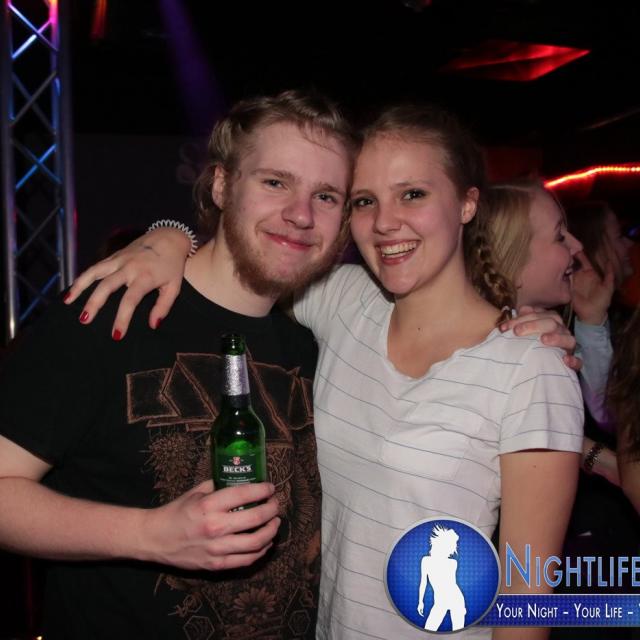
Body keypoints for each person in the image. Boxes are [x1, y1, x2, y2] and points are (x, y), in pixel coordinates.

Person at [68, 103, 584, 640]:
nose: (385, 222)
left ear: (468, 203)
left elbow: (528, 601)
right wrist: (169, 239)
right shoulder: (343, 300)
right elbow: (246, 255)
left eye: (413, 194)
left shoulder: (531, 366)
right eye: (364, 201)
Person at [0, 89, 358, 639]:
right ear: (221, 185)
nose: (301, 214)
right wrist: (149, 535)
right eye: (275, 182)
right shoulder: (111, 312)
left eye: (326, 196)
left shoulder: (316, 343)